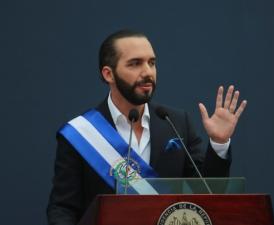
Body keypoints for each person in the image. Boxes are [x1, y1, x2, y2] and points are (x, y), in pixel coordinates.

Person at [47, 29, 247, 225]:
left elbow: (207, 193)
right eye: (135, 64)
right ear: (109, 74)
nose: (148, 72)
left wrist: (219, 142)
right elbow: (63, 208)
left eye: (152, 63)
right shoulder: (82, 133)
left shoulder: (176, 122)